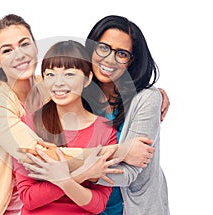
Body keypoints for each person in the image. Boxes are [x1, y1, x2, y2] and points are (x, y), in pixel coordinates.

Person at [0, 14, 136, 215]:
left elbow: (85, 77)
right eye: (7, 50)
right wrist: (114, 154)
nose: (18, 55)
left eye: (24, 44)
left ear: (36, 47)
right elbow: (35, 153)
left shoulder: (49, 86)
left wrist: (154, 95)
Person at [25, 15, 170, 214]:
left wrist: (60, 171)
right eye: (103, 47)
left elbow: (129, 173)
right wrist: (123, 151)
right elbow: (18, 91)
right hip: (84, 206)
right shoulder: (73, 90)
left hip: (131, 208)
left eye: (121, 53)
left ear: (131, 61)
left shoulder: (146, 99)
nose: (109, 59)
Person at [13, 40, 122, 214]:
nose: (58, 83)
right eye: (50, 75)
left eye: (69, 74)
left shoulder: (105, 130)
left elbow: (98, 204)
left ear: (87, 79)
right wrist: (81, 175)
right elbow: (28, 197)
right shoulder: (29, 124)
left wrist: (63, 180)